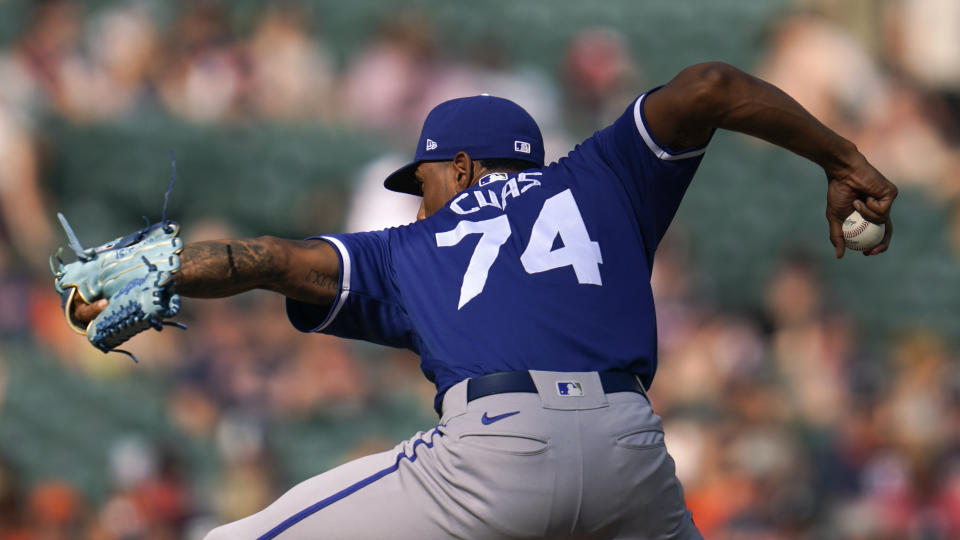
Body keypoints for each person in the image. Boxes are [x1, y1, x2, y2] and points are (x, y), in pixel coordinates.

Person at [73, 62, 897, 539]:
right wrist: (843, 159)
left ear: (464, 167)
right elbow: (714, 84)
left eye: (423, 176)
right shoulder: (605, 177)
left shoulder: (409, 247)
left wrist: (168, 268)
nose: (416, 196)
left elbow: (262, 262)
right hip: (632, 457)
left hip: (495, 457)